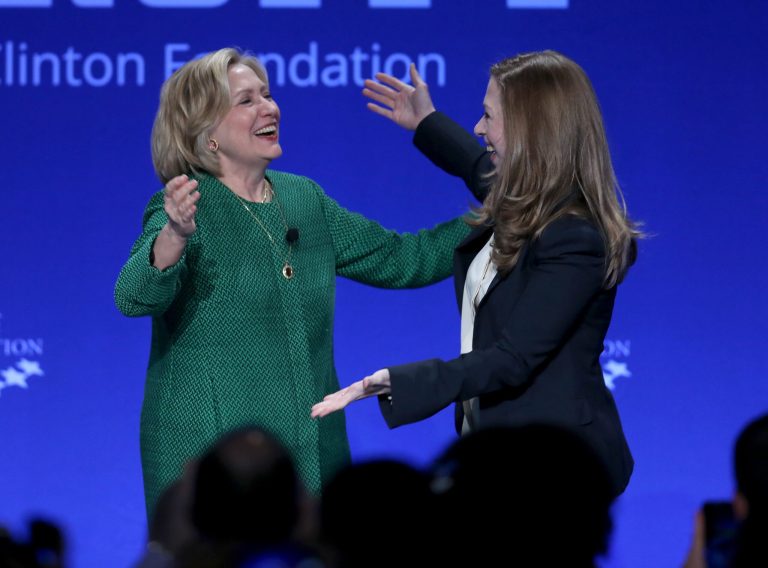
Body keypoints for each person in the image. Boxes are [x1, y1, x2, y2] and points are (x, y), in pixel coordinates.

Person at [114, 47, 470, 517]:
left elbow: (405, 259)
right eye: (246, 101)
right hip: (210, 451)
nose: (270, 108)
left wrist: (498, 214)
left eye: (268, 94)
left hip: (308, 446)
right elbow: (133, 297)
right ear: (206, 131)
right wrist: (175, 237)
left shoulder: (304, 199)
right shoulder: (185, 207)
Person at [312, 50, 639, 495]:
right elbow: (477, 166)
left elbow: (512, 359)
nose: (478, 128)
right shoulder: (524, 202)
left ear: (531, 131)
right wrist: (427, 121)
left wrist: (400, 381)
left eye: (488, 116)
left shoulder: (574, 237)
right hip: (501, 452)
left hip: (554, 467)